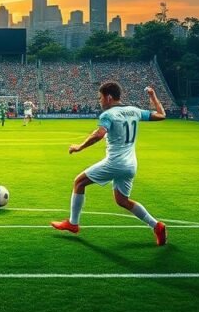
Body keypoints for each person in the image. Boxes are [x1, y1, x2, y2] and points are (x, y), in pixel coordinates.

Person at [51, 83, 168, 246]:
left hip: (115, 162)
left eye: (100, 97)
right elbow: (162, 115)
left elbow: (99, 134)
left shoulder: (108, 115)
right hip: (130, 164)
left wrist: (79, 147)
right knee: (122, 200)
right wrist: (152, 96)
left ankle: (73, 223)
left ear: (109, 97)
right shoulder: (134, 111)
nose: (100, 101)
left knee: (79, 182)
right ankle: (157, 226)